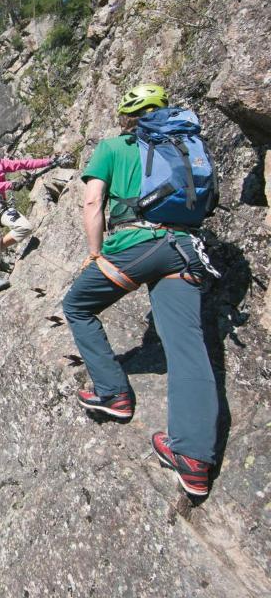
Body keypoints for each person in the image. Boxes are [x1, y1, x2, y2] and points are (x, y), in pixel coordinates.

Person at [62, 83, 218, 497]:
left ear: (126, 117)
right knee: (188, 348)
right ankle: (194, 458)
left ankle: (113, 394)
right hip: (184, 249)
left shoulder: (113, 147)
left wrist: (95, 253)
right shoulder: (186, 146)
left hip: (137, 246)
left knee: (77, 304)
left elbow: (93, 202)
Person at [0, 130, 66, 295]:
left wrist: (50, 161)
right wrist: (9, 185)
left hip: (1, 202)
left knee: (25, 226)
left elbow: (24, 163)